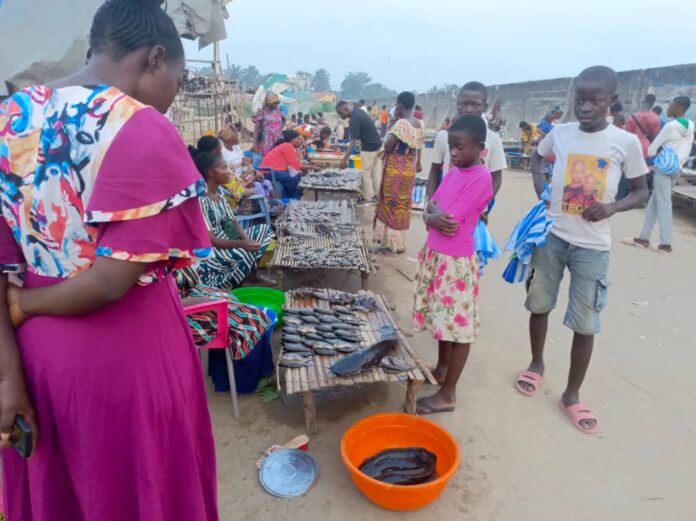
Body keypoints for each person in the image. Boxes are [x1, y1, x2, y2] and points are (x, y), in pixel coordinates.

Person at [0, 1, 219, 519]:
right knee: (139, 487)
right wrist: (26, 304)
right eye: (179, 80)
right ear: (156, 59)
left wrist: (7, 378)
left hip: (35, 363)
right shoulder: (138, 128)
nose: (172, 97)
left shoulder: (10, 122)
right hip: (125, 360)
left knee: (62, 491)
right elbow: (108, 283)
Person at [516, 66, 649, 434]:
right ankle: (536, 364)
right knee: (539, 303)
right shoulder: (559, 133)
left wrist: (612, 207)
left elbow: (641, 191)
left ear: (612, 102)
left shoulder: (625, 143)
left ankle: (572, 393)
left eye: (596, 100)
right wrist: (539, 181)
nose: (586, 107)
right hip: (553, 237)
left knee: (585, 322)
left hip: (593, 246)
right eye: (580, 99)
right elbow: (537, 157)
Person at [412, 115, 494, 414]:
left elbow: (448, 219)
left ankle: (448, 393)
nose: (454, 153)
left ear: (480, 148)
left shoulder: (481, 178)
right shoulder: (454, 172)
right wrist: (430, 214)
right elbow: (432, 206)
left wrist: (431, 215)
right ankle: (442, 369)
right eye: (451, 147)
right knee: (442, 319)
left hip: (455, 262)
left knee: (458, 327)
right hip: (438, 254)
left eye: (460, 147)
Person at [195, 152, 275, 288]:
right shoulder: (201, 199)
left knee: (263, 230)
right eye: (224, 168)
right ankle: (234, 279)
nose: (229, 172)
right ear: (211, 172)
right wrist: (241, 244)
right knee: (244, 251)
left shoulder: (219, 191)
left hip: (226, 240)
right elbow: (211, 240)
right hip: (211, 253)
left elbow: (230, 223)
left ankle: (249, 276)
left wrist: (245, 239)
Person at [625, 96, 694, 253]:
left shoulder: (670, 126)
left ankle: (665, 244)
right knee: (654, 203)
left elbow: (651, 150)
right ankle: (643, 238)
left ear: (680, 107)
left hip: (663, 168)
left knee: (663, 203)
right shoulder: (690, 125)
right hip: (676, 168)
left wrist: (657, 147)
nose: (668, 108)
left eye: (672, 105)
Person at [427, 81, 507, 201]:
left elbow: (496, 178)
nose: (469, 109)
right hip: (445, 204)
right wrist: (433, 202)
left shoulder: (493, 139)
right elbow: (434, 171)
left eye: (475, 105)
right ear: (457, 104)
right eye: (464, 105)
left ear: (485, 106)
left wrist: (481, 204)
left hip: (474, 208)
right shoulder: (444, 136)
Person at [373, 92, 424, 256]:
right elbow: (419, 147)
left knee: (391, 204)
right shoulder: (419, 123)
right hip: (409, 168)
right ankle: (399, 243)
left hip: (396, 169)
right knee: (403, 205)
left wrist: (391, 127)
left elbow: (388, 147)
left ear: (401, 105)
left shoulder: (401, 124)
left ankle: (391, 246)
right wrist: (419, 164)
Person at [336, 100, 384, 203]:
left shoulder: (354, 119)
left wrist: (344, 159)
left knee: (365, 174)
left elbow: (353, 142)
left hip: (369, 147)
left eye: (341, 113)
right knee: (375, 172)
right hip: (377, 145)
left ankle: (368, 197)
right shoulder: (359, 112)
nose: (341, 116)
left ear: (346, 109)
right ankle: (377, 195)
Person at [260, 130, 321, 198]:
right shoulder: (287, 146)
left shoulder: (288, 146)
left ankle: (291, 198)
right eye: (298, 139)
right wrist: (313, 167)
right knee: (293, 179)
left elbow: (294, 163)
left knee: (297, 177)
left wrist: (308, 165)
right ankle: (293, 199)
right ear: (292, 139)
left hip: (272, 171)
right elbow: (296, 166)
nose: (300, 140)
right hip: (268, 172)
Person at [253, 92, 284, 157]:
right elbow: (256, 130)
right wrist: (254, 144)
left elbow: (284, 119)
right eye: (275, 103)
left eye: (277, 102)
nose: (277, 105)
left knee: (278, 160)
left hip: (278, 140)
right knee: (268, 160)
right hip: (267, 142)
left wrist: (280, 130)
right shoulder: (262, 112)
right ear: (269, 103)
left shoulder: (278, 112)